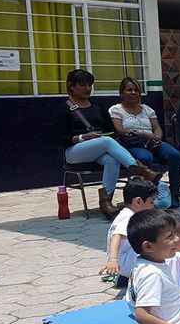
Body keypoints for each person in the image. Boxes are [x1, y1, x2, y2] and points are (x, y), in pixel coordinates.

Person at [54, 68, 161, 219]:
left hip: (100, 148)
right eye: (83, 85)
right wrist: (84, 137)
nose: (87, 89)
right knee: (106, 141)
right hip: (75, 151)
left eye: (90, 85)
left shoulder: (98, 106)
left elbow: (112, 131)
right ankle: (139, 169)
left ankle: (106, 202)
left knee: (112, 158)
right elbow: (59, 138)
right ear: (72, 86)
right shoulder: (64, 109)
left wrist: (102, 136)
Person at [110, 77, 180, 208]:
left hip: (152, 141)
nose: (133, 92)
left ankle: (174, 193)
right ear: (121, 93)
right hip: (133, 143)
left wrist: (157, 138)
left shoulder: (146, 109)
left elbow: (157, 128)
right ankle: (149, 195)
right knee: (145, 157)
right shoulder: (116, 110)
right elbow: (119, 130)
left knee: (175, 155)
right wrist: (143, 134)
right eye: (129, 90)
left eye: (136, 90)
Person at [99, 177, 158, 286]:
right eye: (151, 202)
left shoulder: (127, 214)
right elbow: (116, 236)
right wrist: (113, 260)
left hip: (124, 264)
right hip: (123, 264)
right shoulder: (127, 217)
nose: (153, 206)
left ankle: (126, 278)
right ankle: (142, 275)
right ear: (138, 201)